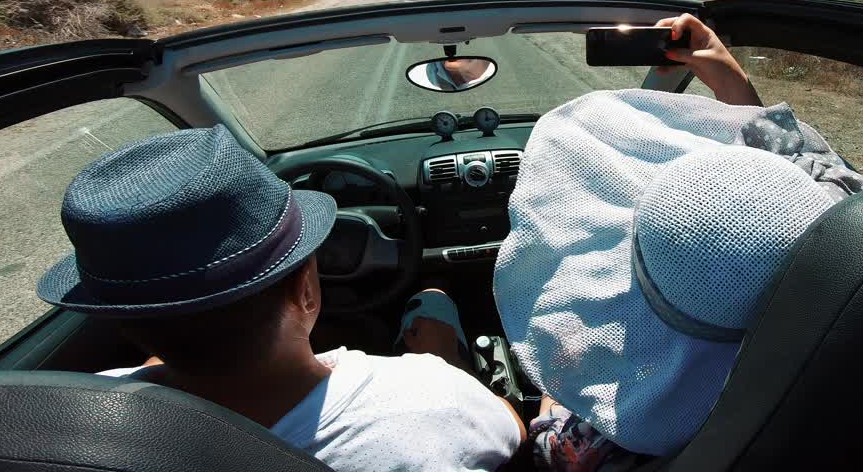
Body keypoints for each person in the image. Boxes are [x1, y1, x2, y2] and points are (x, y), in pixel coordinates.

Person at [492, 14, 863, 470]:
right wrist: (729, 76)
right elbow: (792, 167)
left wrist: (565, 378)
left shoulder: (607, 444)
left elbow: (549, 447)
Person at [36, 124, 524, 472]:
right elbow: (514, 431)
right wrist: (437, 366)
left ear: (123, 319)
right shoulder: (429, 399)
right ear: (306, 287)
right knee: (434, 301)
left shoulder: (67, 417)